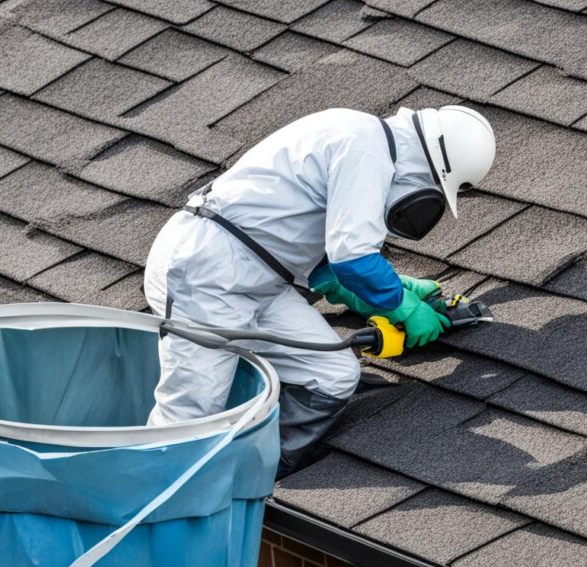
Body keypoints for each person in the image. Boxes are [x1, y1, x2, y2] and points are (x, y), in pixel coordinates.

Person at [144, 105, 496, 475]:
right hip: (207, 275)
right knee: (190, 414)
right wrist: (402, 305)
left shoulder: (362, 137)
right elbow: (354, 258)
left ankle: (248, 477)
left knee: (334, 375)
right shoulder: (365, 148)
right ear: (431, 171)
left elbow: (315, 243)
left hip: (256, 279)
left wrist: (368, 289)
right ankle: (145, 500)